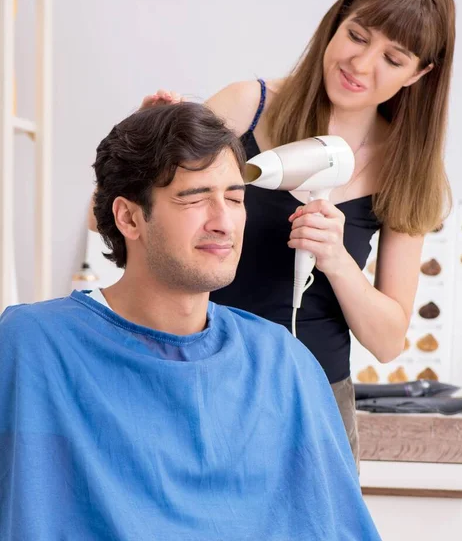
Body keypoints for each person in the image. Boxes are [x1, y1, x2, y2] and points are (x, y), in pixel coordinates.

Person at [95, 0, 457, 464]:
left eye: (393, 59)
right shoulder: (249, 106)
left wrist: (336, 260)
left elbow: (389, 340)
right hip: (195, 377)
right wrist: (139, 146)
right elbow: (108, 219)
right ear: (336, 22)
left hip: (315, 402)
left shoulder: (406, 167)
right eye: (357, 35)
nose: (361, 64)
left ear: (420, 73)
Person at [0, 103, 381, 540]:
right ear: (128, 217)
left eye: (236, 199)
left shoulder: (282, 363)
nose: (224, 222)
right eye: (195, 198)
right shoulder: (34, 347)